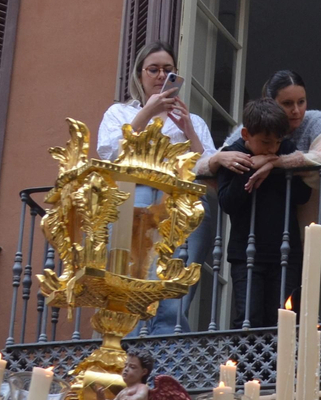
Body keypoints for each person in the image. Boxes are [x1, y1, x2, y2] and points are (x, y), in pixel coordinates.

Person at [98, 42, 252, 334]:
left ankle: (167, 356)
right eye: (153, 69)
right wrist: (147, 112)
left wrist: (188, 129)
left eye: (168, 70)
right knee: (133, 283)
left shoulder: (193, 121)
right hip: (135, 200)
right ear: (139, 75)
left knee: (175, 290)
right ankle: (131, 353)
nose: (160, 75)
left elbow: (209, 170)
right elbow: (111, 154)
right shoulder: (119, 113)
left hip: (182, 207)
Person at [220, 69, 321, 270]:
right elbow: (208, 166)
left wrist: (274, 162)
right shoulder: (254, 127)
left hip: (317, 235)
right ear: (270, 103)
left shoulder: (316, 120)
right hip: (270, 243)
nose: (296, 110)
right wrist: (218, 158)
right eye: (287, 103)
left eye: (301, 102)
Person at [219, 98, 311, 328]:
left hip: (285, 252)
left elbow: (303, 194)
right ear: (246, 134)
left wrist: (274, 165)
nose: (272, 148)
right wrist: (250, 167)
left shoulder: (285, 151)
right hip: (246, 252)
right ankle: (245, 355)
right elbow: (228, 202)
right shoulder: (232, 156)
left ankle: (280, 356)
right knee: (248, 319)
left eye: (277, 142)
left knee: (281, 320)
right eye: (266, 142)